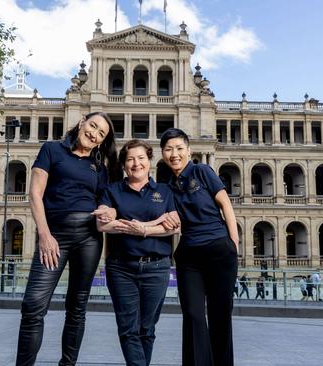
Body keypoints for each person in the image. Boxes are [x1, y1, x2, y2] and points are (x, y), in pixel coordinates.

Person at [16, 112, 119, 366]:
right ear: (82, 121)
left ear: (102, 141)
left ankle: (67, 364)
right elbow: (35, 194)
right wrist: (45, 235)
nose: (94, 133)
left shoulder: (100, 167)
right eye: (93, 125)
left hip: (89, 239)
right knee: (33, 306)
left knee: (77, 307)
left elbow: (105, 202)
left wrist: (111, 211)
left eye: (101, 134)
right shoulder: (52, 150)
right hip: (54, 235)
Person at [96, 139, 181, 366]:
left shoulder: (164, 191)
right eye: (130, 159)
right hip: (121, 267)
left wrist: (142, 229)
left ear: (149, 161)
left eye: (141, 158)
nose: (136, 164)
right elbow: (103, 225)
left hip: (157, 267)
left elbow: (174, 228)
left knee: (147, 329)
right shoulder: (111, 191)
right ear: (124, 164)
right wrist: (157, 223)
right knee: (128, 329)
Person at [160, 128, 239, 366]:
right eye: (168, 149)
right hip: (189, 256)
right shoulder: (167, 187)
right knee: (193, 315)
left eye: (179, 148)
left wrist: (233, 244)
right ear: (163, 154)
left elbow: (225, 204)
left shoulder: (202, 171)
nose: (174, 154)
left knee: (220, 316)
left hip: (219, 249)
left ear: (188, 150)